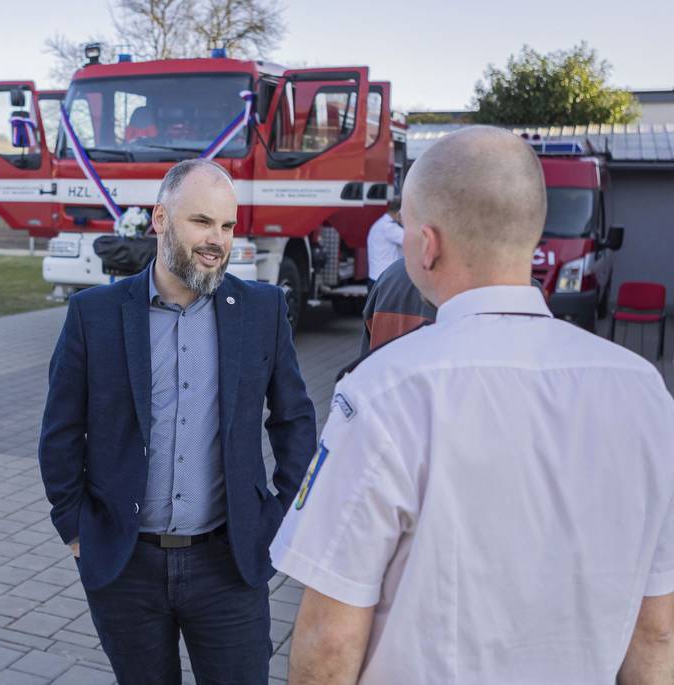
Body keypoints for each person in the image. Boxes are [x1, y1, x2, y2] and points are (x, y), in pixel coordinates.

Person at [270, 126, 674, 684]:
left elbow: (329, 641)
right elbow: (656, 630)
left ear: (428, 245)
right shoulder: (645, 394)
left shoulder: (383, 391)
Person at [40, 158, 317, 684]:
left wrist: (282, 516)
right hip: (125, 566)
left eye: (228, 225)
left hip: (230, 563)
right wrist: (75, 527)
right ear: (160, 219)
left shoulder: (261, 309)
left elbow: (295, 419)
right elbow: (59, 432)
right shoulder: (94, 313)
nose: (217, 239)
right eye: (201, 222)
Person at [365, 197, 403, 282]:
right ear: (399, 214)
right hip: (384, 280)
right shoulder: (389, 227)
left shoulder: (381, 224)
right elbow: (413, 241)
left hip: (377, 278)